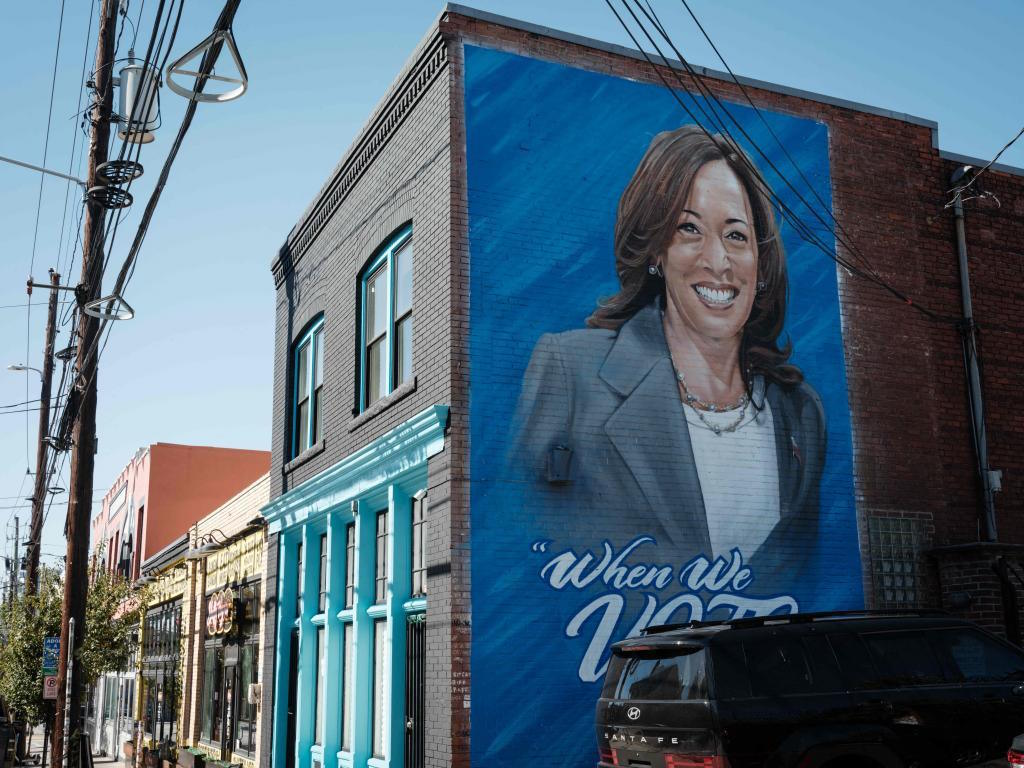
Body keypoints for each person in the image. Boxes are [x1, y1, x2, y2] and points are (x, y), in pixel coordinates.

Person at [510, 125, 826, 589]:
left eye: (736, 236)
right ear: (657, 250)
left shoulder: (800, 413)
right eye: (689, 229)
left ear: (760, 263)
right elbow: (519, 555)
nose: (717, 260)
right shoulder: (570, 373)